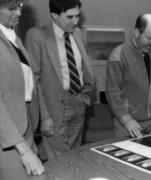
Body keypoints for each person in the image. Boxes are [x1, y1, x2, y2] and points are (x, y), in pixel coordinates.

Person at [25, 0, 94, 160]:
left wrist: (85, 97)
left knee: (75, 155)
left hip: (79, 102)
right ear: (54, 15)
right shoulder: (36, 36)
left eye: (77, 16)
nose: (76, 21)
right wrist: (44, 116)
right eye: (70, 17)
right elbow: (33, 81)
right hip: (54, 107)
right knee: (59, 160)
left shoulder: (77, 33)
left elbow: (83, 68)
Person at [0, 0, 45, 179]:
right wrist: (24, 150)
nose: (18, 13)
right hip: (8, 134)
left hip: (24, 124)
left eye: (19, 6)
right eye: (11, 8)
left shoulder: (12, 36)